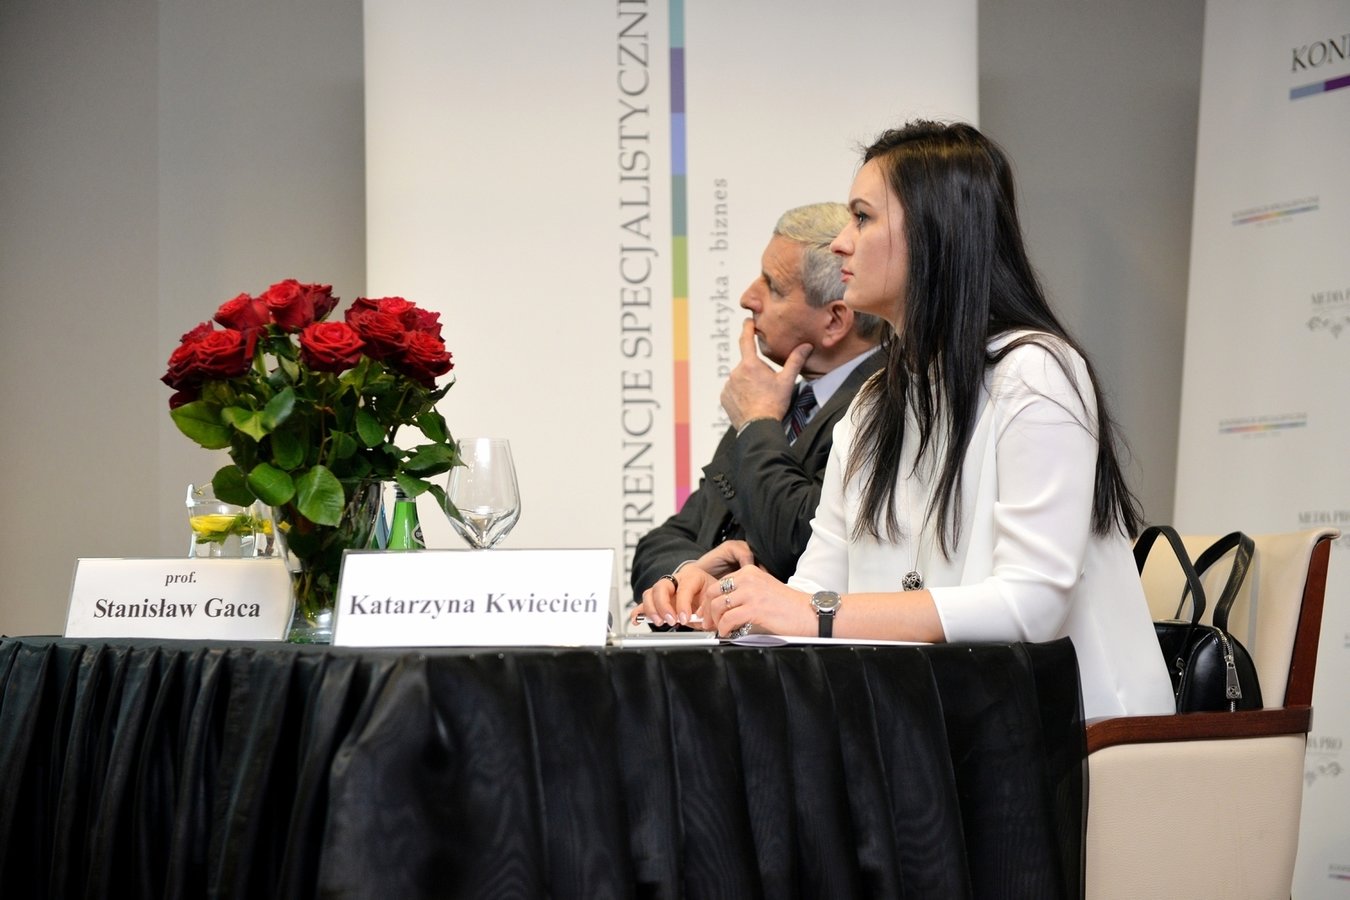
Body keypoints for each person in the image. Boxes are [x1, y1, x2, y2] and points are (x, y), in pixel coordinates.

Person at [633, 121, 1174, 719]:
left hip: (1073, 733)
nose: (842, 243)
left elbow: (1031, 606)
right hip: (935, 724)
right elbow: (814, 587)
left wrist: (812, 613)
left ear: (935, 234)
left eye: (862, 219)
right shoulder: (873, 404)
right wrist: (730, 600)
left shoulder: (1036, 372)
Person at [630, 202, 887, 607]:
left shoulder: (885, 404)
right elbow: (664, 540)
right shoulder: (783, 401)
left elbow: (800, 546)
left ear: (835, 320)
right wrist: (689, 573)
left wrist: (757, 423)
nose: (748, 298)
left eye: (773, 286)